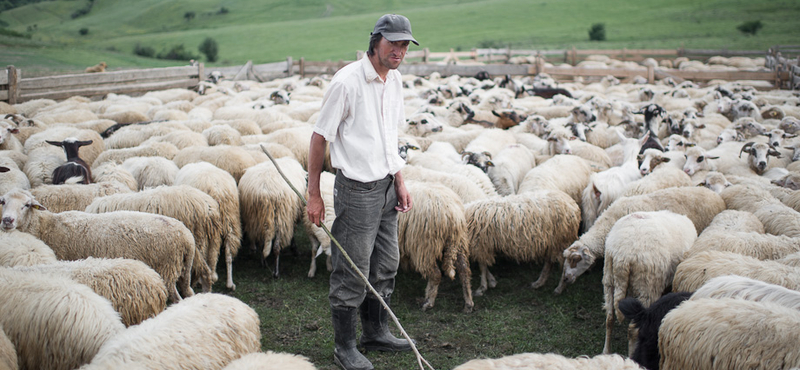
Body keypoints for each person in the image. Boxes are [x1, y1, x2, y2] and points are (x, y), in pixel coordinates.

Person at [306, 13, 418, 370]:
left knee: (386, 264)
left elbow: (390, 139)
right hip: (356, 190)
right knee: (351, 269)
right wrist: (314, 193)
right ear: (376, 40)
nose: (399, 50)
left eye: (404, 44)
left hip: (386, 186)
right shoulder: (347, 82)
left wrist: (399, 181)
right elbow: (319, 137)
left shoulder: (395, 80)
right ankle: (344, 347)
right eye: (393, 42)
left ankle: (375, 331)